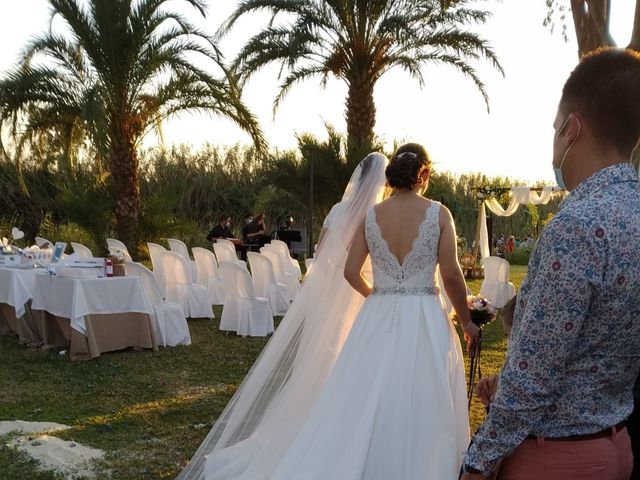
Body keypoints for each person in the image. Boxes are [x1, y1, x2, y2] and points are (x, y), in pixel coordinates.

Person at [462, 48, 640, 480]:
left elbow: (532, 379)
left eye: (555, 127)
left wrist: (476, 463)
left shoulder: (577, 227)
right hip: (615, 442)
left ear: (571, 129)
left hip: (559, 457)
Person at [259, 143, 478, 479]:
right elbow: (450, 273)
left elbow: (350, 271)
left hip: (378, 314)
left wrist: (376, 294)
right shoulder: (439, 213)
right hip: (423, 315)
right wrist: (466, 320)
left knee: (366, 392)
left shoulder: (371, 216)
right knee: (423, 394)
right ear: (425, 174)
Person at [175, 153, 390, 480]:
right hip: (361, 291)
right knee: (350, 360)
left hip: (331, 289)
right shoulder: (375, 216)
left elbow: (321, 253)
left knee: (321, 355)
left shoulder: (337, 210)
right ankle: (336, 423)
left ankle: (313, 413)